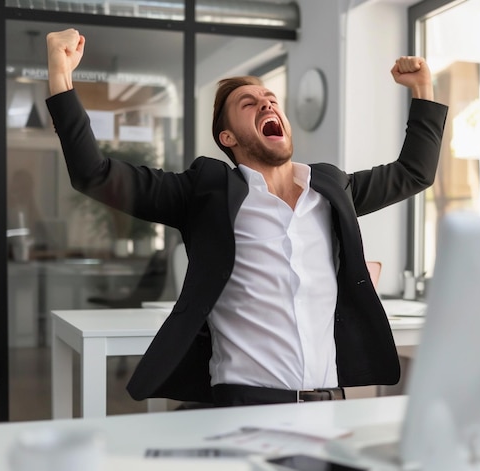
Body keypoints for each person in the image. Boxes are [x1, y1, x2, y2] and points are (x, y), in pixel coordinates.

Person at [45, 28, 448, 407]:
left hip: (328, 405)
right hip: (244, 406)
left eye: (270, 99)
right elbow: (94, 174)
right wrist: (61, 74)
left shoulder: (331, 188)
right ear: (228, 138)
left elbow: (413, 173)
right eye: (249, 103)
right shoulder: (206, 193)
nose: (267, 104)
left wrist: (423, 90)